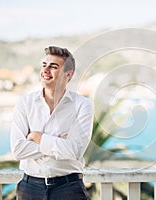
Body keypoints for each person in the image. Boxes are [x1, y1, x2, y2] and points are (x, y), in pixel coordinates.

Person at [10, 46, 94, 200]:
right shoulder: (25, 103)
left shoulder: (83, 105)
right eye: (44, 65)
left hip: (69, 187)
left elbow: (75, 150)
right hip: (29, 188)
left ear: (68, 74)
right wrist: (58, 142)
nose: (46, 70)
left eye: (53, 67)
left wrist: (38, 137)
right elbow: (18, 150)